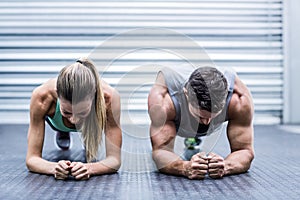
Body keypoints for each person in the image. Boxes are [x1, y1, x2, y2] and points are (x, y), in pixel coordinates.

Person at [148, 65, 254, 179]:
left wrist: (226, 166)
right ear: (186, 94)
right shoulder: (163, 103)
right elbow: (160, 151)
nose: (207, 122)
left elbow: (245, 150)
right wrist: (184, 167)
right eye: (201, 116)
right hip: (180, 116)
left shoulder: (239, 100)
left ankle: (194, 138)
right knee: (185, 130)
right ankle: (191, 138)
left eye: (213, 116)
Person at [26, 58, 122, 180]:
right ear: (57, 94)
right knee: (66, 120)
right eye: (67, 112)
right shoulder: (42, 97)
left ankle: (84, 126)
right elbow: (32, 159)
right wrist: (54, 167)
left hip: (93, 121)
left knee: (90, 147)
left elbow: (114, 160)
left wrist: (89, 168)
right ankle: (63, 129)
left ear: (94, 96)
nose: (74, 120)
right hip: (57, 123)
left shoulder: (110, 98)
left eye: (81, 112)